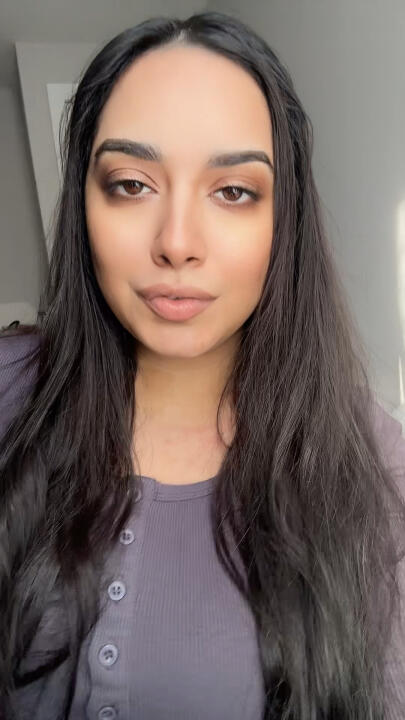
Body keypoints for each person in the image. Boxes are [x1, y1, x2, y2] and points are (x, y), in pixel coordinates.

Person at [1, 10, 405, 720]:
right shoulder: (9, 392)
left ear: (284, 220)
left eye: (233, 191)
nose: (177, 242)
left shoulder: (373, 468)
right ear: (83, 205)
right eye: (131, 184)